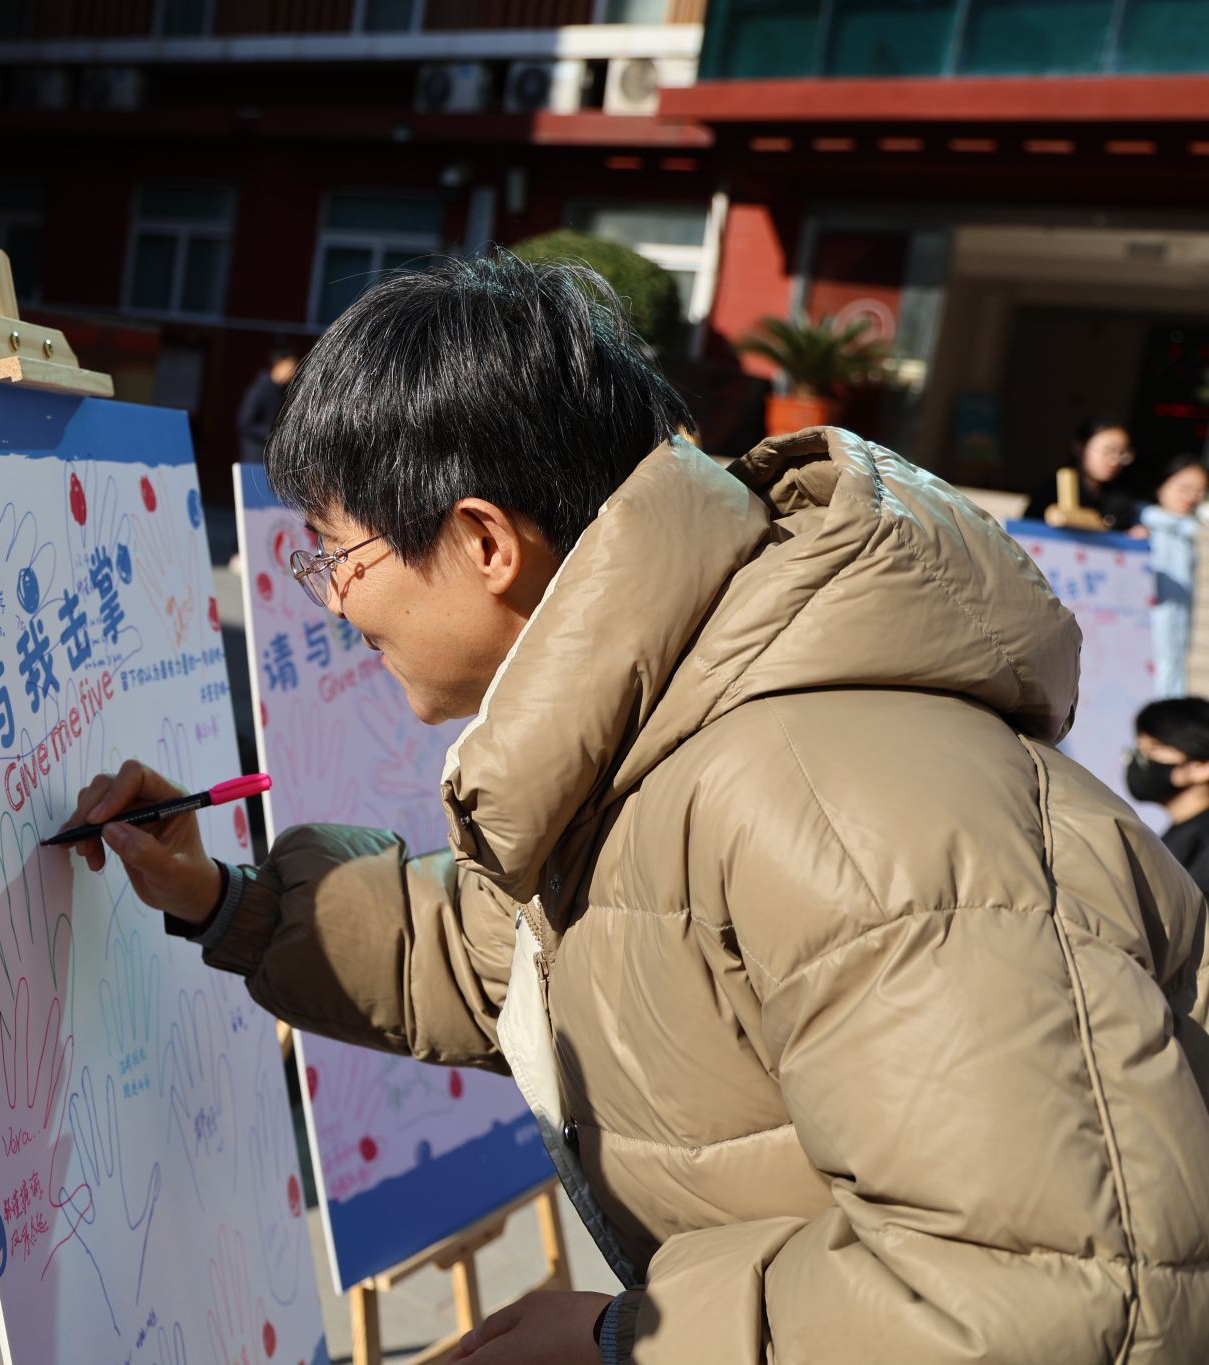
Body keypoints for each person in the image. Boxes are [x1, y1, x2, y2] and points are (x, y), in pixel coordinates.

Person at [64, 252, 1209, 1364]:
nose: (330, 602)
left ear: (481, 542)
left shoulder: (833, 801)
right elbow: (493, 956)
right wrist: (219, 898)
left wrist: (625, 1342)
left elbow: (1055, 1304)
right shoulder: (658, 736)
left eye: (337, 555)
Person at [1137, 455, 1207, 698]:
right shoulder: (1142, 528)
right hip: (1143, 629)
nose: (1191, 497)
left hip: (1179, 629)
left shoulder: (1190, 533)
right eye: (1185, 488)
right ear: (1161, 485)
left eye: (1199, 491)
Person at [1131, 697, 1209, 894]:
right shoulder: (1178, 837)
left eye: (1152, 750)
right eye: (1138, 750)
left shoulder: (1200, 843)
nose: (1139, 761)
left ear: (1201, 767)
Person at [1038, 414, 1140, 529]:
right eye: (1109, 451)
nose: (1115, 460)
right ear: (1079, 447)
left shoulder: (1121, 496)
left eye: (1122, 453)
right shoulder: (1054, 490)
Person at [235, 343, 298, 463]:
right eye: (291, 366)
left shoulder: (285, 392)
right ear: (278, 365)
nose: (295, 371)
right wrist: (274, 433)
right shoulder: (259, 390)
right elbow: (245, 423)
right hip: (255, 458)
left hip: (274, 459)